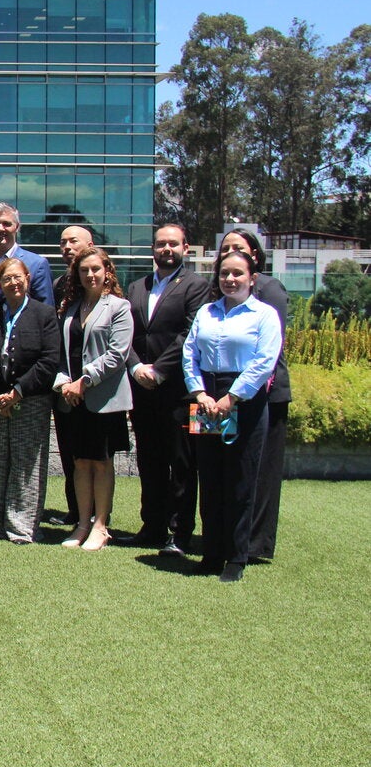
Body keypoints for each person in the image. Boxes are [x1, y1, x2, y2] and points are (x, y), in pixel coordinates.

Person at [182, 248, 282, 583]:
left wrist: (231, 397)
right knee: (210, 476)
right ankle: (211, 553)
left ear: (252, 279)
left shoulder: (264, 315)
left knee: (240, 478)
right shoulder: (206, 312)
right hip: (207, 398)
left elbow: (264, 361)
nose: (230, 279)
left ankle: (236, 557)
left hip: (245, 400)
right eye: (224, 273)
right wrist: (200, 393)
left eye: (238, 273)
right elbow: (190, 354)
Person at [123, 223, 210, 556]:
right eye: (161, 244)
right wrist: (134, 366)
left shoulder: (196, 286)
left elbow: (188, 334)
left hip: (177, 390)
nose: (166, 249)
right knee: (149, 460)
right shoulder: (137, 287)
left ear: (185, 248)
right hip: (141, 389)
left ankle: (179, 533)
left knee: (181, 464)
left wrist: (159, 370)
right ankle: (152, 525)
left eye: (173, 244)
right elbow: (126, 332)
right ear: (153, 250)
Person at [0, 258, 61, 544]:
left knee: (26, 465)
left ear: (28, 279)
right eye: (6, 278)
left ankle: (21, 527)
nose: (13, 283)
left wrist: (17, 392)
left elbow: (49, 359)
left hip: (30, 400)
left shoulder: (44, 314)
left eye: (17, 277)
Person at [53, 247, 133, 551]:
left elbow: (118, 354)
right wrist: (64, 383)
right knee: (79, 462)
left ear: (107, 272)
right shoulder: (71, 307)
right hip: (72, 399)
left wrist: (83, 381)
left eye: (96, 269)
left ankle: (101, 526)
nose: (90, 275)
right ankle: (82, 523)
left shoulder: (119, 307)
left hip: (103, 398)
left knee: (101, 462)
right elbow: (62, 352)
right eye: (84, 270)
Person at [219, 228, 291, 563]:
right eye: (225, 250)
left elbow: (270, 351)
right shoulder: (216, 296)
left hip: (264, 397)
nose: (230, 253)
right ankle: (224, 540)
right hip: (219, 398)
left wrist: (244, 390)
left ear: (254, 257)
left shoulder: (269, 291)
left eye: (238, 248)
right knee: (224, 469)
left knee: (259, 473)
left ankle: (255, 544)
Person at [49, 224, 95, 524]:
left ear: (89, 244)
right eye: (63, 242)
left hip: (94, 384)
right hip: (63, 383)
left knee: (94, 454)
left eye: (73, 241)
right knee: (69, 451)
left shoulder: (100, 285)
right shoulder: (59, 285)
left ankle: (96, 515)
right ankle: (76, 511)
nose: (67, 247)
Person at [0, 203, 55, 307]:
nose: (0, 228)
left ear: (17, 227)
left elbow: (46, 311)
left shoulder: (37, 265)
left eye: (6, 224)